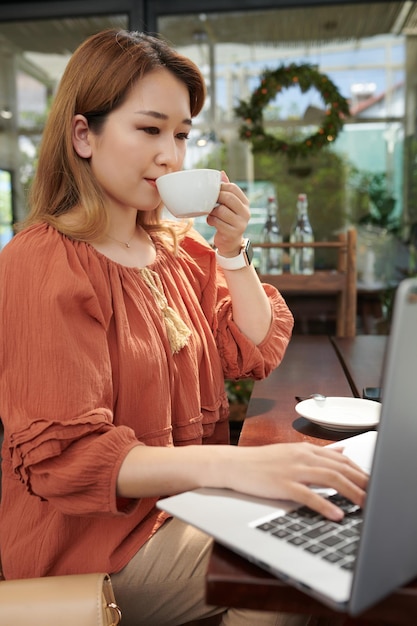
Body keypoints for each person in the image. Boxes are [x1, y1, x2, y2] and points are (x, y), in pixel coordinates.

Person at [0, 29, 367, 626]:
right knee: (284, 572)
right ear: (83, 134)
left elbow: (251, 349)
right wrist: (243, 467)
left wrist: (231, 249)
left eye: (181, 134)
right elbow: (70, 458)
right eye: (149, 130)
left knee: (330, 522)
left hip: (184, 506)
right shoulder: (42, 261)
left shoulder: (171, 246)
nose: (171, 155)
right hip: (95, 546)